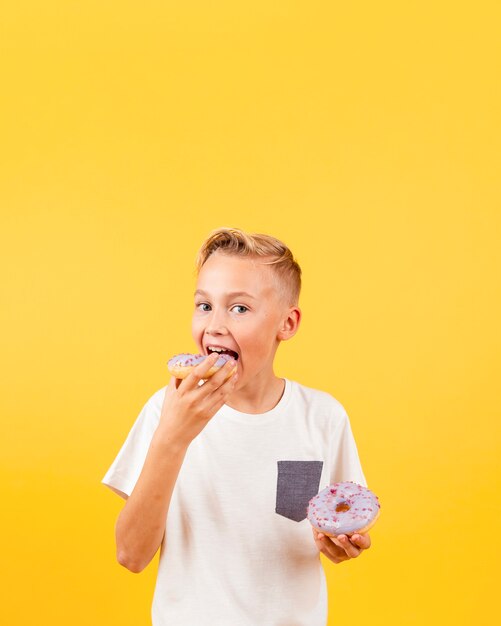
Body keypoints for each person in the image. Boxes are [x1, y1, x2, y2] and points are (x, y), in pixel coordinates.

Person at [101, 227, 372, 626]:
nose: (214, 326)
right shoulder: (166, 410)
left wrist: (341, 543)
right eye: (204, 305)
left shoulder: (323, 417)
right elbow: (131, 555)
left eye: (239, 308)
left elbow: (341, 524)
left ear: (287, 323)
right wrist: (174, 435)